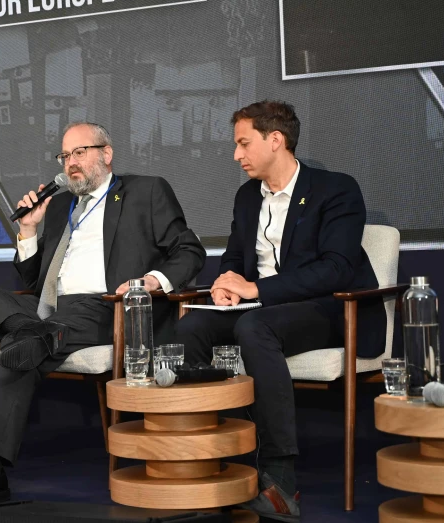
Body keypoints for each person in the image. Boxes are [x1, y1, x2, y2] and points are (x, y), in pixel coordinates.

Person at [0, 122, 206, 500]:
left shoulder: (146, 190)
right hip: (47, 309)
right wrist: (27, 231)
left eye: (80, 153)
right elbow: (35, 279)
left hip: (107, 305)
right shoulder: (58, 206)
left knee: (13, 352)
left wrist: (152, 281)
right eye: (65, 156)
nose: (70, 163)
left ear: (106, 154)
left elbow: (189, 251)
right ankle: (36, 333)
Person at [163, 101, 384, 521]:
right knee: (191, 329)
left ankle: (279, 481)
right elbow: (233, 256)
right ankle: (212, 460)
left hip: (328, 310)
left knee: (254, 326)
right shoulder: (248, 196)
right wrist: (228, 283)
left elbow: (335, 269)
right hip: (260, 307)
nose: (236, 155)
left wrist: (254, 289)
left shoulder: (336, 189)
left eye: (244, 143)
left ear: (275, 140)